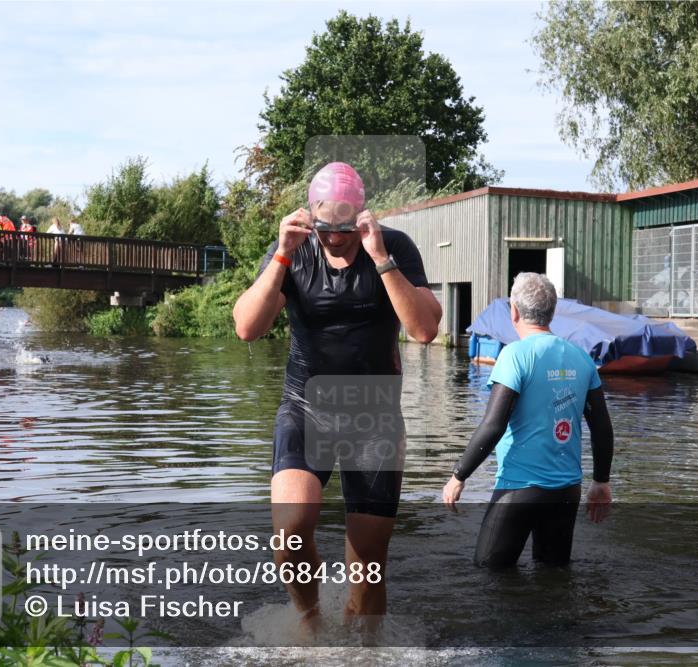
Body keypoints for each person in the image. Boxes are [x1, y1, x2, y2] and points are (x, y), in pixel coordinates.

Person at [232, 162, 441, 630]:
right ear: (311, 215)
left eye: (345, 228)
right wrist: (281, 255)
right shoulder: (295, 247)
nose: (334, 238)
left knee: (368, 561)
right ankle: (310, 624)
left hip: (374, 416)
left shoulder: (393, 245)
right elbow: (247, 327)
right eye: (325, 226)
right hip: (306, 407)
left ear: (362, 215)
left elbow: (425, 329)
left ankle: (364, 646)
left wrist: (380, 257)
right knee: (289, 533)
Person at [442, 272, 614, 569]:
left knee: (488, 575)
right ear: (552, 312)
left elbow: (493, 425)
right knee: (553, 576)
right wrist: (601, 481)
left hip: (520, 487)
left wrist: (459, 475)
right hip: (567, 490)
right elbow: (601, 427)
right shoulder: (581, 357)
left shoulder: (514, 356)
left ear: (514, 311)